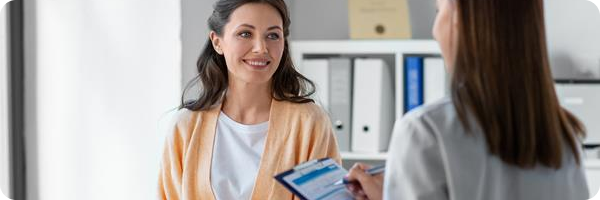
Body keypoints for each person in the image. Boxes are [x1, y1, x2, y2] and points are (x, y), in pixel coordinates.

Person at [346, 0, 589, 199]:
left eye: (439, 11)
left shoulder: (424, 132)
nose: (434, 29)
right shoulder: (566, 137)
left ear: (460, 19)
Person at [157, 0, 341, 199]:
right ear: (217, 42)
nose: (261, 48)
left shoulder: (309, 123)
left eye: (272, 35)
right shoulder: (186, 126)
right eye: (245, 33)